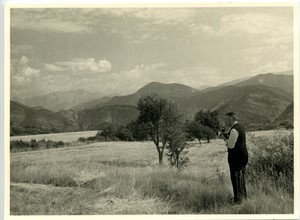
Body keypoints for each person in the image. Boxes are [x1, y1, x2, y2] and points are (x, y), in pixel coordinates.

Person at [221, 112, 248, 204]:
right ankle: (243, 197)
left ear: (231, 119)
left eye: (226, 119)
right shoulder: (240, 127)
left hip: (236, 156)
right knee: (241, 177)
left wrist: (223, 139)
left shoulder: (234, 130)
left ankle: (238, 200)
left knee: (235, 177)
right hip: (243, 155)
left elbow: (231, 145)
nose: (225, 121)